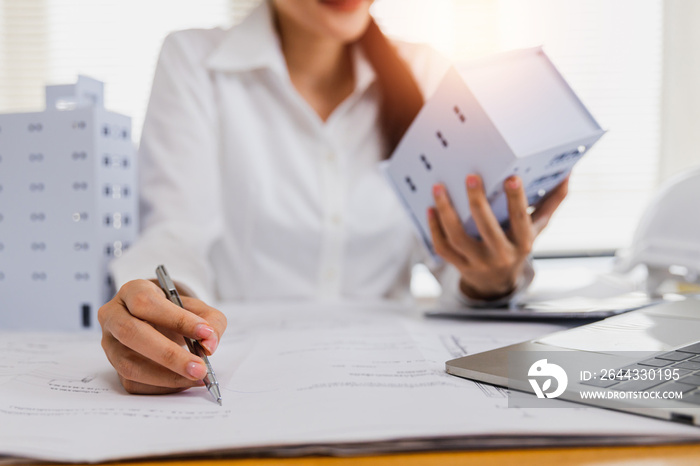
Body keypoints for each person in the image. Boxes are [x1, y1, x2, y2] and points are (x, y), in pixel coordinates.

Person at [98, 0, 569, 395]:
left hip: (400, 381)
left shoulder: (426, 73)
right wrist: (165, 312)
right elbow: (176, 232)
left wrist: (490, 279)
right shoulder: (193, 60)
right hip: (252, 377)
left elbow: (453, 266)